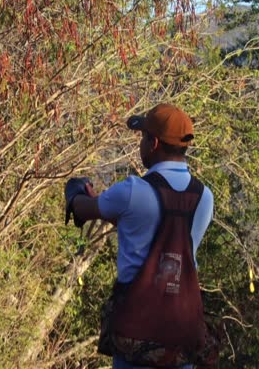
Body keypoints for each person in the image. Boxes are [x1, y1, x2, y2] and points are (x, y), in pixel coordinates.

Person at [69, 103, 214, 369]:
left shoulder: (133, 190)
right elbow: (163, 228)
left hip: (137, 337)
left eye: (142, 137)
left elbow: (82, 208)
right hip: (180, 339)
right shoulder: (205, 197)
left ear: (153, 142)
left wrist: (75, 190)